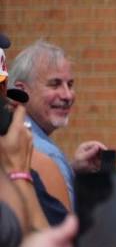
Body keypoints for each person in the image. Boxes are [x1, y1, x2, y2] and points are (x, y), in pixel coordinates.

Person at [8, 40, 107, 209]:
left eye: (70, 85)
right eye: (54, 84)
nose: (67, 95)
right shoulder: (45, 153)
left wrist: (70, 170)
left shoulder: (9, 136)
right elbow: (67, 231)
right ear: (21, 91)